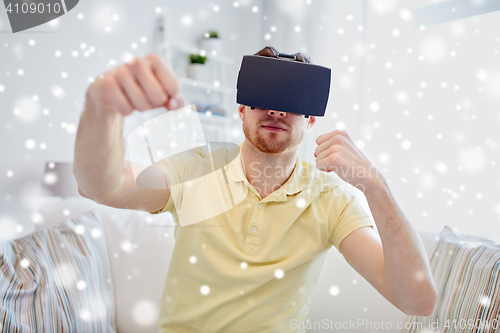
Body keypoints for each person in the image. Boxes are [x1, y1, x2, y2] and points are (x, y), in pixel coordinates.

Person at [74, 46, 437, 332]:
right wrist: (101, 109)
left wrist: (375, 184)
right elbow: (102, 187)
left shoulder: (332, 200)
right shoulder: (198, 169)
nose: (277, 111)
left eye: (292, 102)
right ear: (242, 109)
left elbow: (417, 302)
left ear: (310, 118)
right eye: (264, 96)